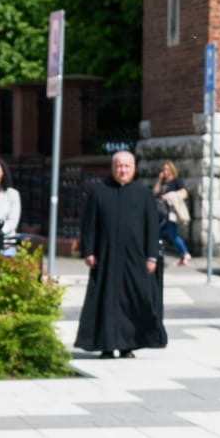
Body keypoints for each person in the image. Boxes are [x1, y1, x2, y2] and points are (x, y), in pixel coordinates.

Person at [76, 150, 163, 358]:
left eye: (126, 166)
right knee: (104, 301)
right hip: (105, 258)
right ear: (112, 168)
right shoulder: (99, 192)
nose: (122, 170)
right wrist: (89, 251)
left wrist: (152, 256)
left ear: (134, 168)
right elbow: (89, 225)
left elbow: (152, 227)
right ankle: (106, 345)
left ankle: (127, 346)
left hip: (135, 259)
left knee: (132, 301)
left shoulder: (143, 194)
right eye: (118, 166)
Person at [153, 160, 193, 267]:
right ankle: (157, 255)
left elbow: (184, 193)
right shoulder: (162, 182)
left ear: (171, 170)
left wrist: (169, 196)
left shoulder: (176, 181)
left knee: (172, 235)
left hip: (171, 213)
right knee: (157, 234)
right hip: (161, 213)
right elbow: (155, 192)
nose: (165, 172)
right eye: (163, 170)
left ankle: (185, 254)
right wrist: (159, 179)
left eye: (167, 169)